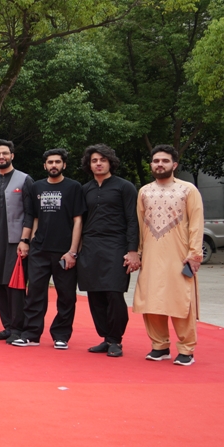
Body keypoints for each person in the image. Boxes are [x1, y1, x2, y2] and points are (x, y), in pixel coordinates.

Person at [134, 145, 203, 366]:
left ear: (174, 165)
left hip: (180, 255)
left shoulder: (188, 190)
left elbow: (196, 223)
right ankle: (160, 346)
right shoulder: (144, 191)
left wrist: (194, 254)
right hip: (151, 255)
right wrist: (138, 253)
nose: (159, 164)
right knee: (152, 300)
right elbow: (139, 225)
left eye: (164, 161)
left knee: (181, 300)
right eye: (156, 161)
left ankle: (186, 349)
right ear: (151, 165)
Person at [14, 149, 85, 349]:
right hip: (39, 250)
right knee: (34, 293)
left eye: (57, 162)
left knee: (66, 296)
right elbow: (34, 217)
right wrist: (29, 241)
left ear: (64, 165)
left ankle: (61, 335)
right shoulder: (37, 187)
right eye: (50, 162)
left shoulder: (74, 187)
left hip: (64, 252)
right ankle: (31, 334)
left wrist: (73, 251)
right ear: (45, 165)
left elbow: (78, 220)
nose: (54, 165)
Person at [77, 145, 139, 358]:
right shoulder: (85, 189)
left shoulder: (125, 187)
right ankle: (105, 337)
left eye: (103, 160)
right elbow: (79, 221)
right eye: (94, 160)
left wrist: (133, 250)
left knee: (113, 293)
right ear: (89, 164)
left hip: (116, 246)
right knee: (94, 294)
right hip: (90, 246)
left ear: (110, 162)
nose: (98, 164)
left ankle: (115, 339)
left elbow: (133, 220)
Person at [0, 139, 34, 344]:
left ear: (12, 155)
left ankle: (19, 328)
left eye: (5, 153)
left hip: (16, 242)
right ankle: (8, 326)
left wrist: (25, 240)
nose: (1, 157)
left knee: (15, 285)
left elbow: (30, 213)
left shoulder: (25, 179)